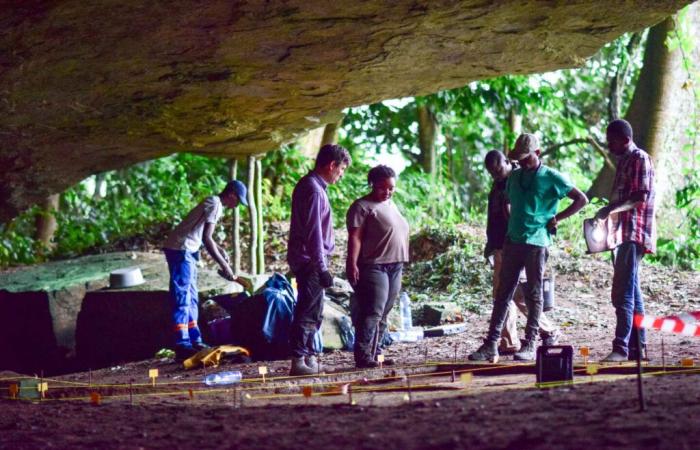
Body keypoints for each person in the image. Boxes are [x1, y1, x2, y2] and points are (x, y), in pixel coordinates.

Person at [469, 134, 588, 362]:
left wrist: (557, 218)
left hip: (537, 242)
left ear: (538, 153)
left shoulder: (551, 177)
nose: (522, 163)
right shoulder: (513, 178)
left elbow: (581, 199)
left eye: (526, 158)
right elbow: (506, 204)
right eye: (519, 159)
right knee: (503, 294)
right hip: (512, 241)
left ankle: (531, 342)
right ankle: (491, 344)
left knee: (533, 295)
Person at [163, 180, 250, 361]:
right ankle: (182, 343)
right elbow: (207, 238)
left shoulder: (213, 202)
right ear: (232, 194)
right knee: (182, 296)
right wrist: (225, 267)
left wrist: (221, 249)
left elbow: (205, 236)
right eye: (238, 201)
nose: (236, 206)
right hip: (181, 249)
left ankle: (195, 339)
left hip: (188, 249)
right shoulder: (215, 204)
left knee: (192, 296)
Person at [483, 150, 560, 354]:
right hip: (501, 244)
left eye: (498, 170)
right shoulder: (501, 182)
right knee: (503, 294)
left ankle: (547, 330)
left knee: (517, 294)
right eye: (491, 173)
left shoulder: (519, 180)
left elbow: (520, 213)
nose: (495, 175)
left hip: (519, 244)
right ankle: (508, 341)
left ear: (508, 162)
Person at [594, 119, 656, 362]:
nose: (609, 146)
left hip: (634, 232)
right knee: (632, 290)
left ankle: (620, 348)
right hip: (622, 233)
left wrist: (610, 209)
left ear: (625, 140)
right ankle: (637, 348)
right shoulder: (624, 162)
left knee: (622, 293)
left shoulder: (640, 158)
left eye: (612, 141)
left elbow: (639, 197)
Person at [287, 143, 351, 375]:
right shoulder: (313, 189)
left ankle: (308, 356)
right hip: (309, 260)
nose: (341, 176)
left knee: (314, 309)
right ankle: (298, 360)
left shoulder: (314, 187)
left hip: (309, 259)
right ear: (332, 165)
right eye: (341, 170)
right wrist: (321, 267)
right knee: (308, 310)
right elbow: (313, 232)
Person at [346, 165, 409, 368]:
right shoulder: (362, 206)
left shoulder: (391, 204)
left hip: (395, 264)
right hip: (374, 265)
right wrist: (352, 263)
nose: (387, 192)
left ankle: (377, 353)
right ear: (372, 185)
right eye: (382, 188)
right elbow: (355, 237)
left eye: (391, 188)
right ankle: (363, 356)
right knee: (374, 310)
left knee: (386, 311)